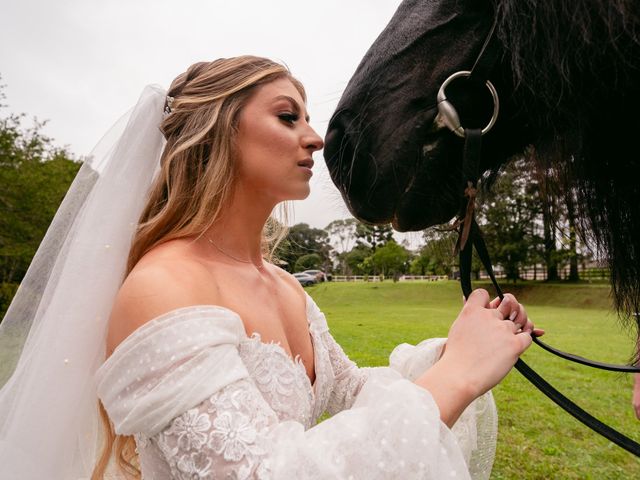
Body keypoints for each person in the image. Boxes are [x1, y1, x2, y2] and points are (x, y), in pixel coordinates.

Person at [0, 56, 540, 480]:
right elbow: (265, 474)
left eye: (307, 117)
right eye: (287, 117)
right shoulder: (162, 287)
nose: (315, 137)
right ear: (217, 132)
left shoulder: (284, 284)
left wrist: (458, 350)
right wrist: (457, 375)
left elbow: (351, 393)